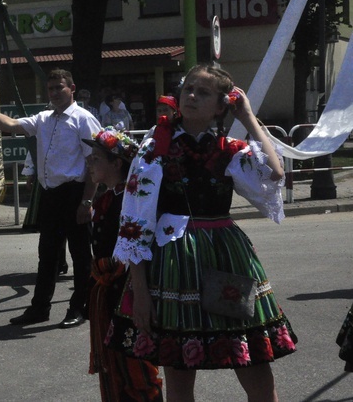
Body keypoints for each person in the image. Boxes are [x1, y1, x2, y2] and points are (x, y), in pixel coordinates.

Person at [106, 64, 296, 401]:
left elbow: (275, 173)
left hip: (226, 258)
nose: (191, 95)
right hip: (171, 264)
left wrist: (249, 116)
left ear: (221, 106)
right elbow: (135, 224)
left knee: (253, 364)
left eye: (203, 92)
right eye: (188, 88)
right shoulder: (154, 150)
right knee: (179, 368)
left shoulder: (230, 149)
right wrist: (140, 292)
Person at [0, 68, 100, 328]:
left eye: (59, 88)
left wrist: (87, 201)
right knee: (47, 254)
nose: (54, 93)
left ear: (71, 89)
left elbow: (94, 163)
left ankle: (79, 307)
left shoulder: (83, 119)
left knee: (81, 254)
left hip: (75, 192)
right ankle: (40, 308)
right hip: (50, 194)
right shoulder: (44, 118)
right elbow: (11, 125)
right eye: (51, 89)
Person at [83, 127, 162, 402]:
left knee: (135, 358)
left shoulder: (133, 200)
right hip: (108, 286)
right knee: (114, 360)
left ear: (117, 163)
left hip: (127, 287)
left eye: (95, 159)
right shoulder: (105, 198)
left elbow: (137, 247)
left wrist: (110, 271)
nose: (89, 163)